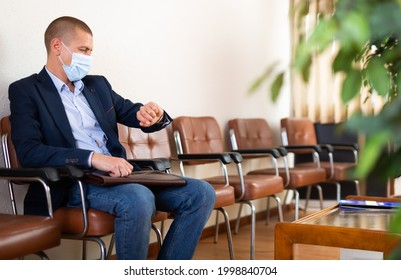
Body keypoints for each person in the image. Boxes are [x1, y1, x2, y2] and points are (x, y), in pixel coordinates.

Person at [8, 16, 216, 260]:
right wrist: (93, 158)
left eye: (90, 51)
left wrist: (152, 114)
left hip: (122, 176)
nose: (88, 58)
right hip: (75, 181)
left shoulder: (98, 85)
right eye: (83, 50)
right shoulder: (26, 91)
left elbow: (132, 112)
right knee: (139, 198)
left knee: (201, 193)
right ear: (57, 47)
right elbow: (30, 152)